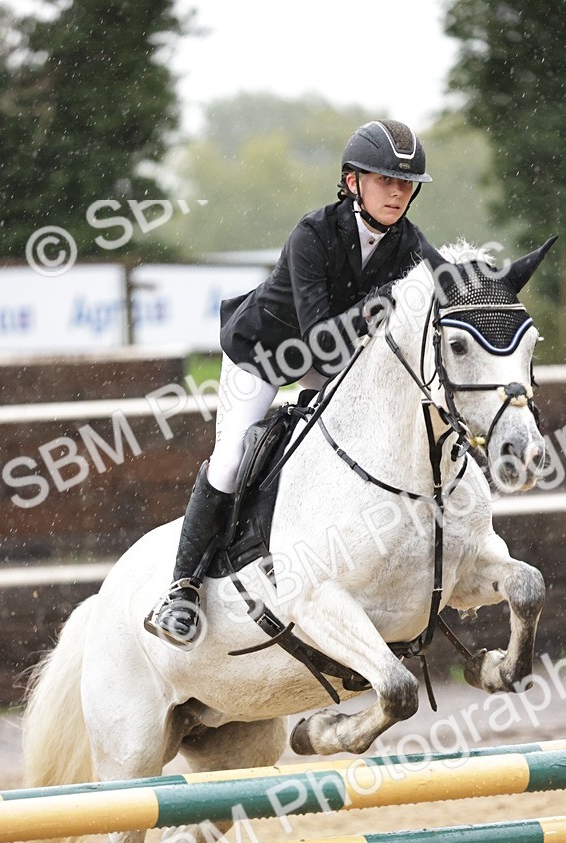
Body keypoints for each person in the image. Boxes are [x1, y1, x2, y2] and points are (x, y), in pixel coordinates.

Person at [145, 119, 443, 648]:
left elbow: (444, 292)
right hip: (266, 353)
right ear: (352, 181)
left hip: (331, 363)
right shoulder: (313, 234)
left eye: (405, 184)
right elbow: (322, 338)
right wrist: (387, 303)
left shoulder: (410, 245)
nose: (397, 192)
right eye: (384, 180)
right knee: (234, 459)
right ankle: (182, 589)